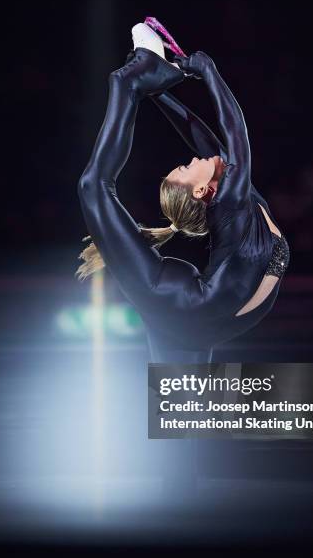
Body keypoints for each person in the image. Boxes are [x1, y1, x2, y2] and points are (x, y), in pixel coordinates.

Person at [76, 48, 290, 364]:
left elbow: (203, 138)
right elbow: (235, 133)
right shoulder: (233, 199)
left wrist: (159, 94)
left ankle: (134, 86)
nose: (192, 158)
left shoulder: (234, 201)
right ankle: (124, 85)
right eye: (187, 168)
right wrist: (209, 71)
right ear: (203, 189)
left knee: (180, 404)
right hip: (196, 315)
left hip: (188, 309)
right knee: (92, 186)